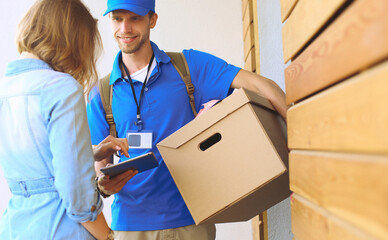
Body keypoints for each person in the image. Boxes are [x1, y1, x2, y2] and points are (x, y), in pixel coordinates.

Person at [87, 0, 287, 239]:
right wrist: (103, 184)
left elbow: (262, 85)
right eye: (117, 19)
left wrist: (300, 144)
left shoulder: (188, 67)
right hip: (131, 226)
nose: (125, 28)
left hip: (192, 222)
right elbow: (101, 163)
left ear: (152, 19)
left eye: (135, 18)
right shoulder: (101, 92)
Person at [0, 0, 137, 239]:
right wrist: (108, 236)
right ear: (72, 40)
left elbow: (37, 159)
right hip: (61, 228)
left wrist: (89, 153)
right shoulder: (61, 87)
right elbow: (77, 194)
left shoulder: (6, 89)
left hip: (16, 226)